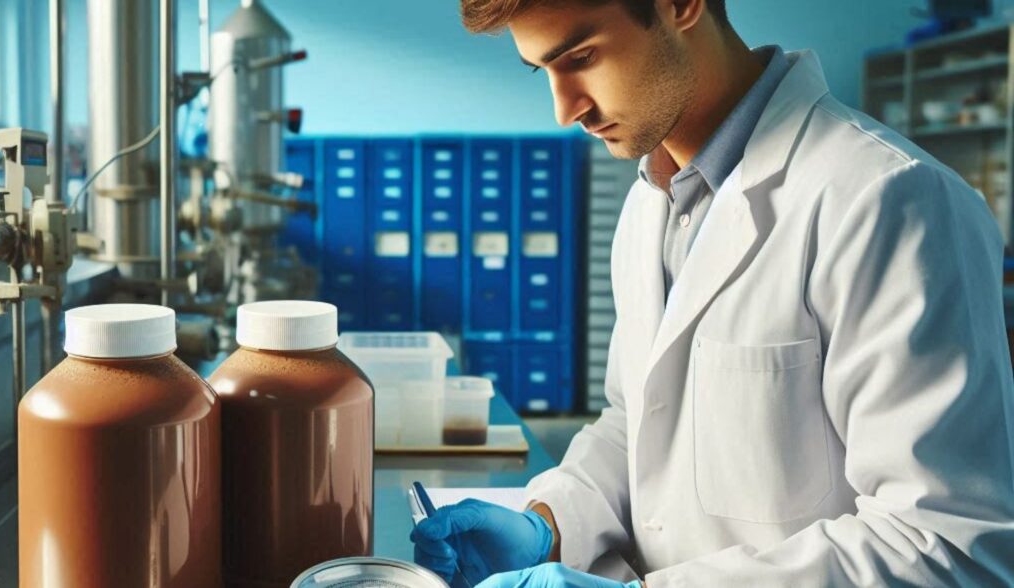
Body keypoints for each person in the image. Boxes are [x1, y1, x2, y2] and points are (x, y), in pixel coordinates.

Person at [411, 1, 1014, 586]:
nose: (565, 111)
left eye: (583, 57)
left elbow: (946, 544)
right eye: (543, 70)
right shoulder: (651, 201)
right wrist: (549, 525)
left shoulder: (889, 201)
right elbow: (638, 425)